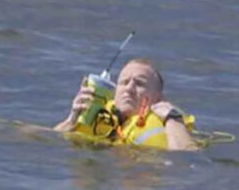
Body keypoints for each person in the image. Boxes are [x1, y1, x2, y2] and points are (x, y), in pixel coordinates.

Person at [54, 59, 197, 151]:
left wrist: (173, 119)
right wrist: (71, 120)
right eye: (124, 82)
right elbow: (51, 140)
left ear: (158, 98)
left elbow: (186, 158)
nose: (129, 88)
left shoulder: (170, 123)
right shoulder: (102, 116)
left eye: (140, 83)